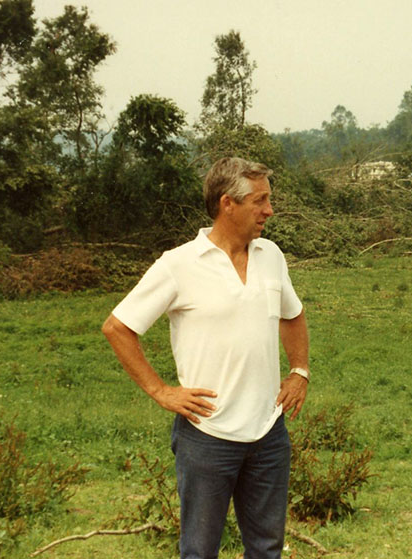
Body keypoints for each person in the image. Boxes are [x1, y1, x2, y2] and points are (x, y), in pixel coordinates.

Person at [102, 156, 310, 559]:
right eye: (260, 200)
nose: (269, 210)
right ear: (226, 203)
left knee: (267, 549)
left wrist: (299, 371)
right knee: (199, 552)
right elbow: (118, 327)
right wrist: (160, 391)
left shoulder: (271, 256)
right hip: (207, 435)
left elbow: (294, 314)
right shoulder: (178, 265)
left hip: (269, 433)